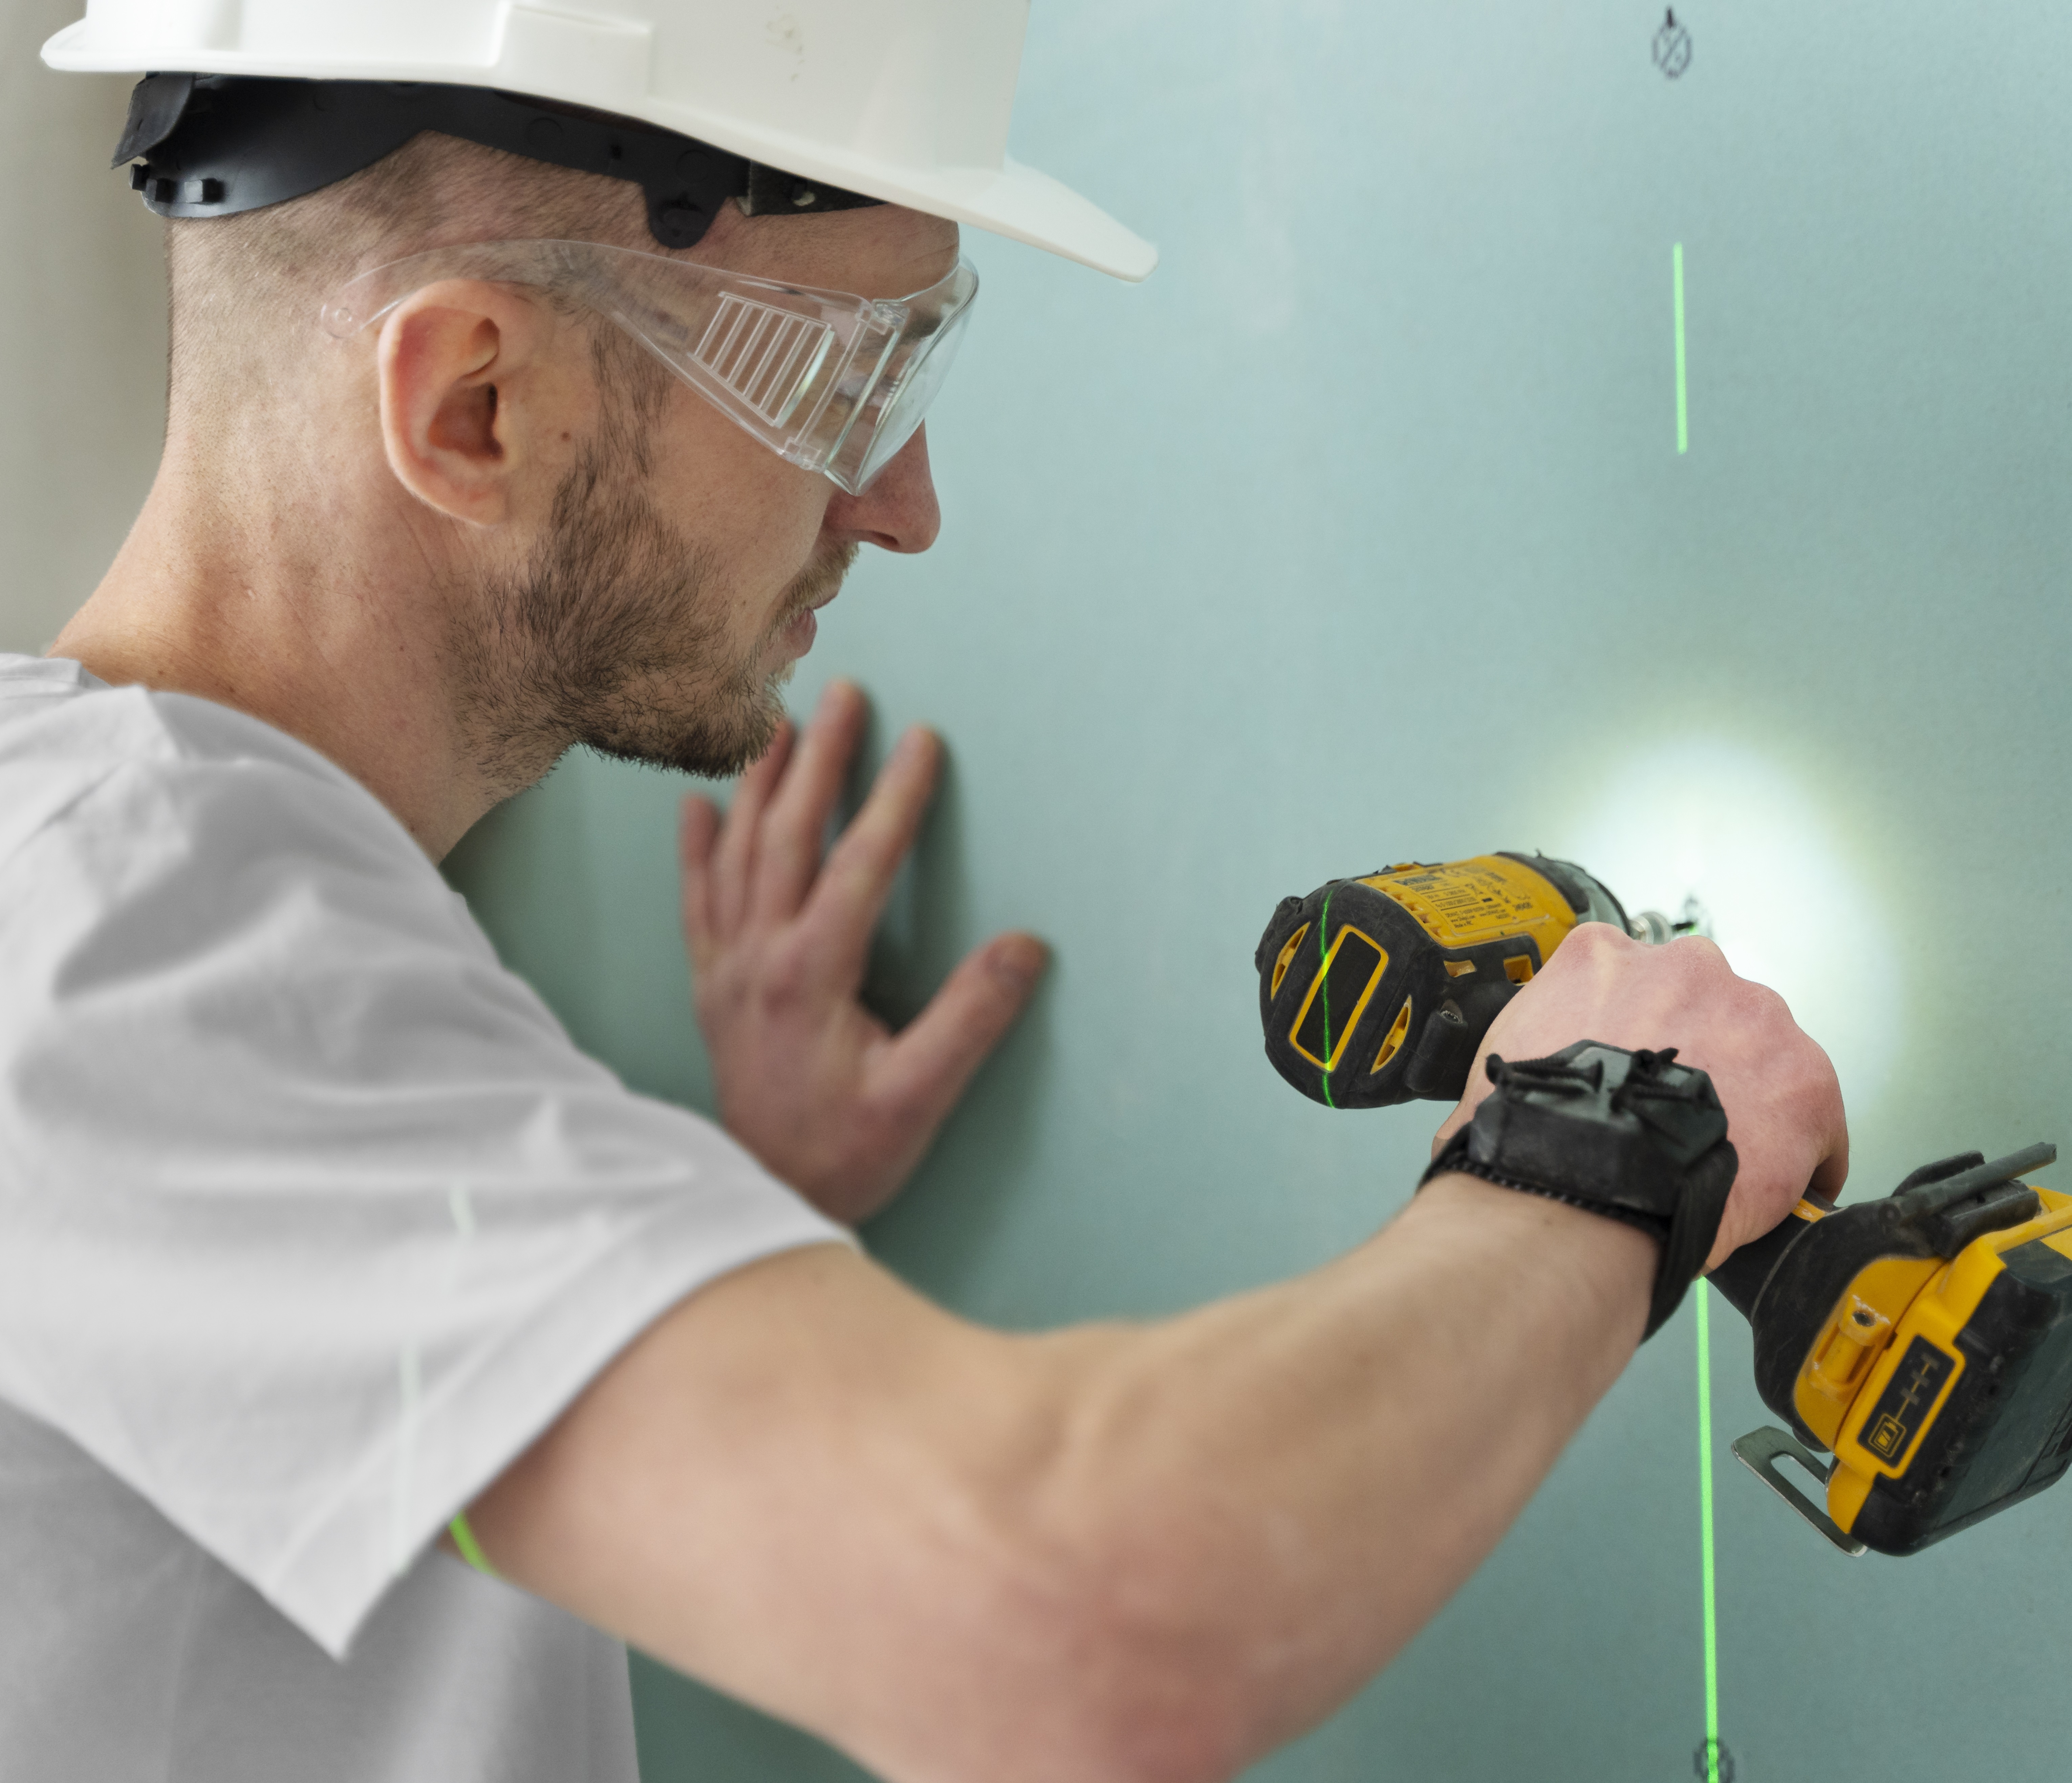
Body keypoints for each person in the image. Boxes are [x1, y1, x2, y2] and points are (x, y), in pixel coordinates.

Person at [2, 7, 1847, 1782]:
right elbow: (1080, 1628)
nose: (902, 503)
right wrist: (1605, 1139)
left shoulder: (102, 910)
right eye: (846, 376)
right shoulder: (136, 928)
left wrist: (687, 1213)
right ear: (479, 402)